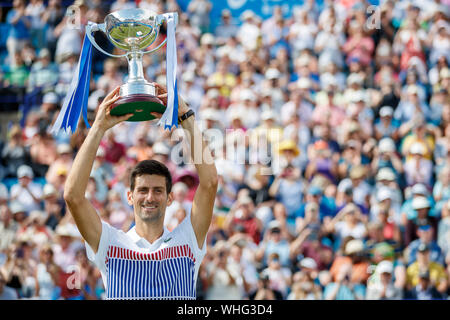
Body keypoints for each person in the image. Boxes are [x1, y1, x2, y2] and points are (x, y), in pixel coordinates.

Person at [63, 85, 218, 300]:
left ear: (170, 198)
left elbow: (209, 183)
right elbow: (72, 196)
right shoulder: (109, 242)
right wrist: (98, 127)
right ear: (129, 196)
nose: (150, 197)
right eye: (143, 190)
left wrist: (187, 119)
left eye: (157, 190)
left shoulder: (188, 240)